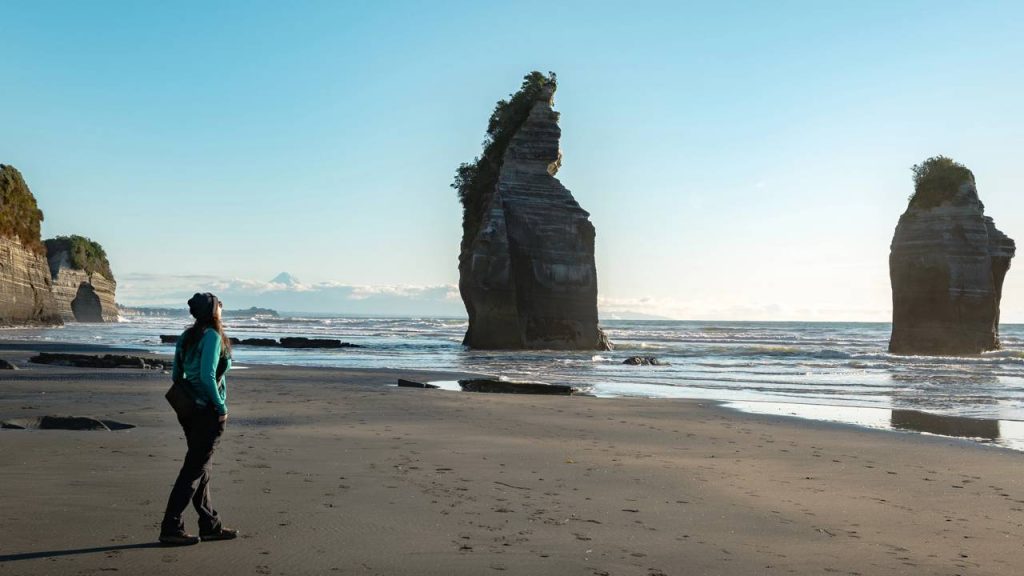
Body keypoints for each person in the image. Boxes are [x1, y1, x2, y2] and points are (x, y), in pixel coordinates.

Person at [159, 292, 238, 546]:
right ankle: (171, 526)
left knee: (202, 468)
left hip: (188, 410)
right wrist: (220, 406)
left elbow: (175, 376)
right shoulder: (213, 337)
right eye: (220, 306)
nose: (222, 310)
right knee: (194, 470)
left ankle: (209, 524)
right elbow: (207, 376)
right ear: (213, 311)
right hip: (207, 413)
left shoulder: (186, 336)